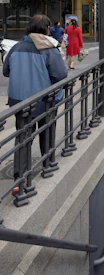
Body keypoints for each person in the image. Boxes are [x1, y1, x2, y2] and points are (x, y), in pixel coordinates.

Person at [3, 14, 68, 195]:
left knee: (22, 139)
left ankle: (19, 178)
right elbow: (60, 75)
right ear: (47, 29)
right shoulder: (48, 48)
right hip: (45, 100)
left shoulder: (16, 48)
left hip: (19, 102)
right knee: (46, 131)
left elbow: (6, 71)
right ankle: (47, 164)